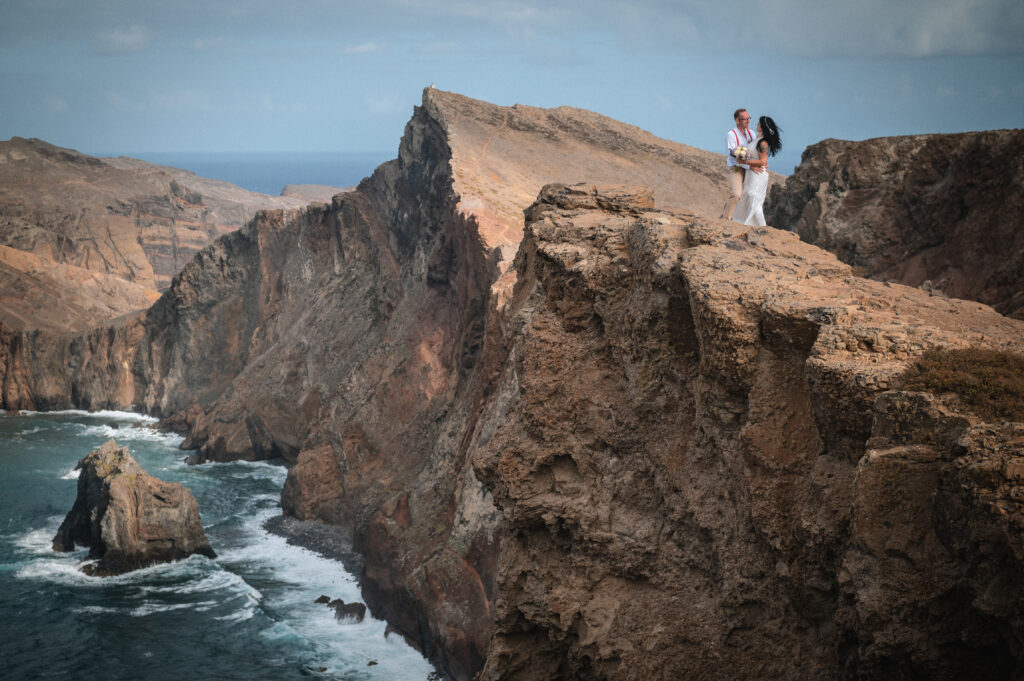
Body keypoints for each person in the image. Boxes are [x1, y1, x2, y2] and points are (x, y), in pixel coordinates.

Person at [732, 116, 782, 227]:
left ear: (763, 126)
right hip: (751, 173)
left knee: (753, 197)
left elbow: (763, 161)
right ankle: (742, 223)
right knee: (747, 195)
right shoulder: (757, 139)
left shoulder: (763, 143)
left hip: (758, 174)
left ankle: (760, 227)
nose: (756, 125)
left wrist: (743, 161)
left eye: (759, 123)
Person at [721, 108, 756, 220]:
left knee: (749, 196)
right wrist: (744, 157)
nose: (748, 121)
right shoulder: (731, 134)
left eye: (748, 118)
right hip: (736, 168)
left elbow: (755, 150)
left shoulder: (751, 133)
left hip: (749, 168)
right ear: (737, 120)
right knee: (736, 194)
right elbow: (732, 153)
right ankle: (725, 220)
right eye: (745, 119)